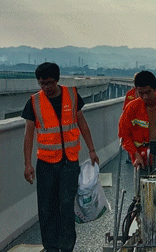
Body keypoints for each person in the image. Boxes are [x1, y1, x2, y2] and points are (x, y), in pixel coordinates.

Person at [22, 62, 99, 252]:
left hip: (69, 162)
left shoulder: (72, 95)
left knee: (66, 208)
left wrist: (91, 149)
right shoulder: (34, 102)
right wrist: (27, 164)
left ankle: (66, 248)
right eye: (41, 84)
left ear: (57, 80)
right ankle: (51, 248)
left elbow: (82, 121)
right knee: (47, 209)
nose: (46, 88)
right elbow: (28, 134)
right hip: (46, 164)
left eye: (49, 83)